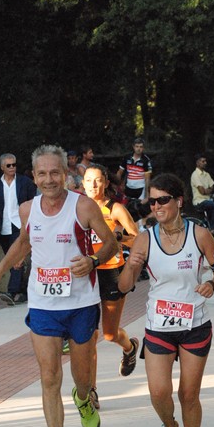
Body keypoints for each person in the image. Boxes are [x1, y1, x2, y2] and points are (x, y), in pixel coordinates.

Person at [0, 144, 118, 427]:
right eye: (42, 173)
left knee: (81, 379)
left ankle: (84, 397)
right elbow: (24, 243)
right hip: (43, 303)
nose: (49, 179)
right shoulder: (28, 209)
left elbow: (111, 242)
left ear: (65, 174)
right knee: (49, 377)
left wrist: (94, 261)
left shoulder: (83, 206)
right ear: (34, 176)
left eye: (55, 172)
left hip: (81, 304)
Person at [118, 173, 214, 427]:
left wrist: (212, 285)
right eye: (152, 201)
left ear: (178, 201)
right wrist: (131, 265)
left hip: (195, 325)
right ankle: (169, 426)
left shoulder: (200, 235)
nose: (156, 206)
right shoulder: (144, 238)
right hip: (159, 327)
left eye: (162, 200)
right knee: (158, 392)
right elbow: (123, 286)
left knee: (188, 394)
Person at [83, 163, 139, 409]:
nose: (93, 185)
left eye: (97, 180)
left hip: (110, 273)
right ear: (81, 183)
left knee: (109, 334)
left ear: (106, 183)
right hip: (85, 274)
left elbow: (138, 238)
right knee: (89, 337)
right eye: (88, 180)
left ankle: (130, 347)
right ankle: (91, 391)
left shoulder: (115, 209)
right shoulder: (77, 208)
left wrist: (117, 237)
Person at [0, 152, 37, 303]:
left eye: (14, 164)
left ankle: (11, 291)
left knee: (16, 258)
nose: (12, 167)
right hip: (3, 227)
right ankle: (21, 291)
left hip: (19, 225)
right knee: (9, 258)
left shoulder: (25, 182)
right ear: (2, 167)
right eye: (8, 165)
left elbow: (33, 201)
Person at [191, 154, 214, 231]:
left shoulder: (207, 174)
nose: (205, 163)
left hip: (208, 200)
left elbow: (213, 188)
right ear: (197, 163)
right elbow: (202, 192)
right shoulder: (195, 175)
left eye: (205, 161)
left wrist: (207, 190)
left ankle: (213, 227)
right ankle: (212, 228)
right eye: (203, 161)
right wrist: (208, 190)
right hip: (200, 201)